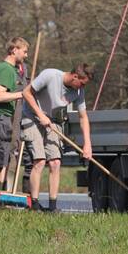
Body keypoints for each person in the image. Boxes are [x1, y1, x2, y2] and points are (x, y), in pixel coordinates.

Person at [20, 64, 94, 212]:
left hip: (52, 122)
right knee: (40, 161)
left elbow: (83, 117)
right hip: (32, 117)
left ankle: (52, 207)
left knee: (55, 163)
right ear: (75, 77)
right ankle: (34, 205)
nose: (83, 87)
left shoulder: (79, 92)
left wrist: (87, 145)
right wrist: (40, 115)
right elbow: (26, 93)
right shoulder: (50, 75)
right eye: (82, 83)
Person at [0, 37, 29, 205]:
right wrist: (21, 94)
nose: (26, 55)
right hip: (0, 118)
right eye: (24, 51)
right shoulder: (8, 70)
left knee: (2, 159)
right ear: (14, 50)